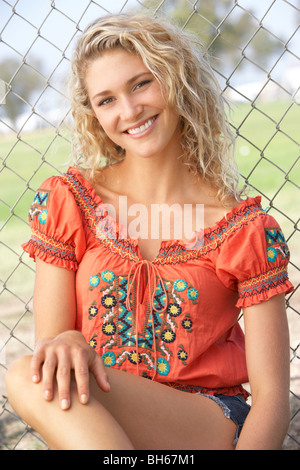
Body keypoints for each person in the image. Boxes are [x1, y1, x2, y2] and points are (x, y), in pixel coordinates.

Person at [5, 13, 293, 450]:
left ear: (177, 79)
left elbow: (271, 398)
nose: (129, 110)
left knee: (32, 375)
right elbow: (54, 349)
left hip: (205, 422)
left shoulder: (243, 230)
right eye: (106, 100)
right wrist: (66, 340)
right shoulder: (71, 202)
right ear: (93, 114)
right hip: (99, 416)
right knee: (33, 372)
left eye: (141, 84)